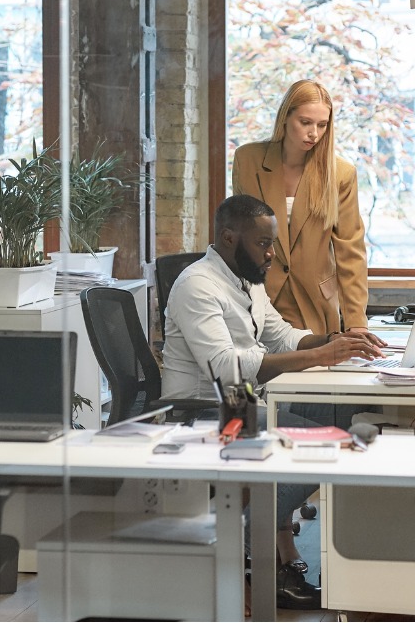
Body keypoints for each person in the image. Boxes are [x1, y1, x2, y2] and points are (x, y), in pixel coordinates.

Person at [161, 194, 383, 610]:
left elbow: (280, 335)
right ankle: (237, 551)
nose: (272, 253)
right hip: (206, 410)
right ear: (229, 238)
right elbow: (226, 369)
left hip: (245, 399)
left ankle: (354, 561)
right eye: (263, 243)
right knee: (325, 443)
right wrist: (317, 357)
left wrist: (334, 340)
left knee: (348, 415)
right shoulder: (197, 286)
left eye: (272, 243)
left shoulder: (246, 279)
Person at [232, 79, 369, 336]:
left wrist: (356, 322)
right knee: (261, 374)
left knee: (317, 375)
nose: (314, 133)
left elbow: (350, 252)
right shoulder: (247, 160)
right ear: (285, 117)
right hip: (259, 299)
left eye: (322, 125)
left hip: (316, 304)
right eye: (305, 122)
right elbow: (238, 238)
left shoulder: (341, 174)